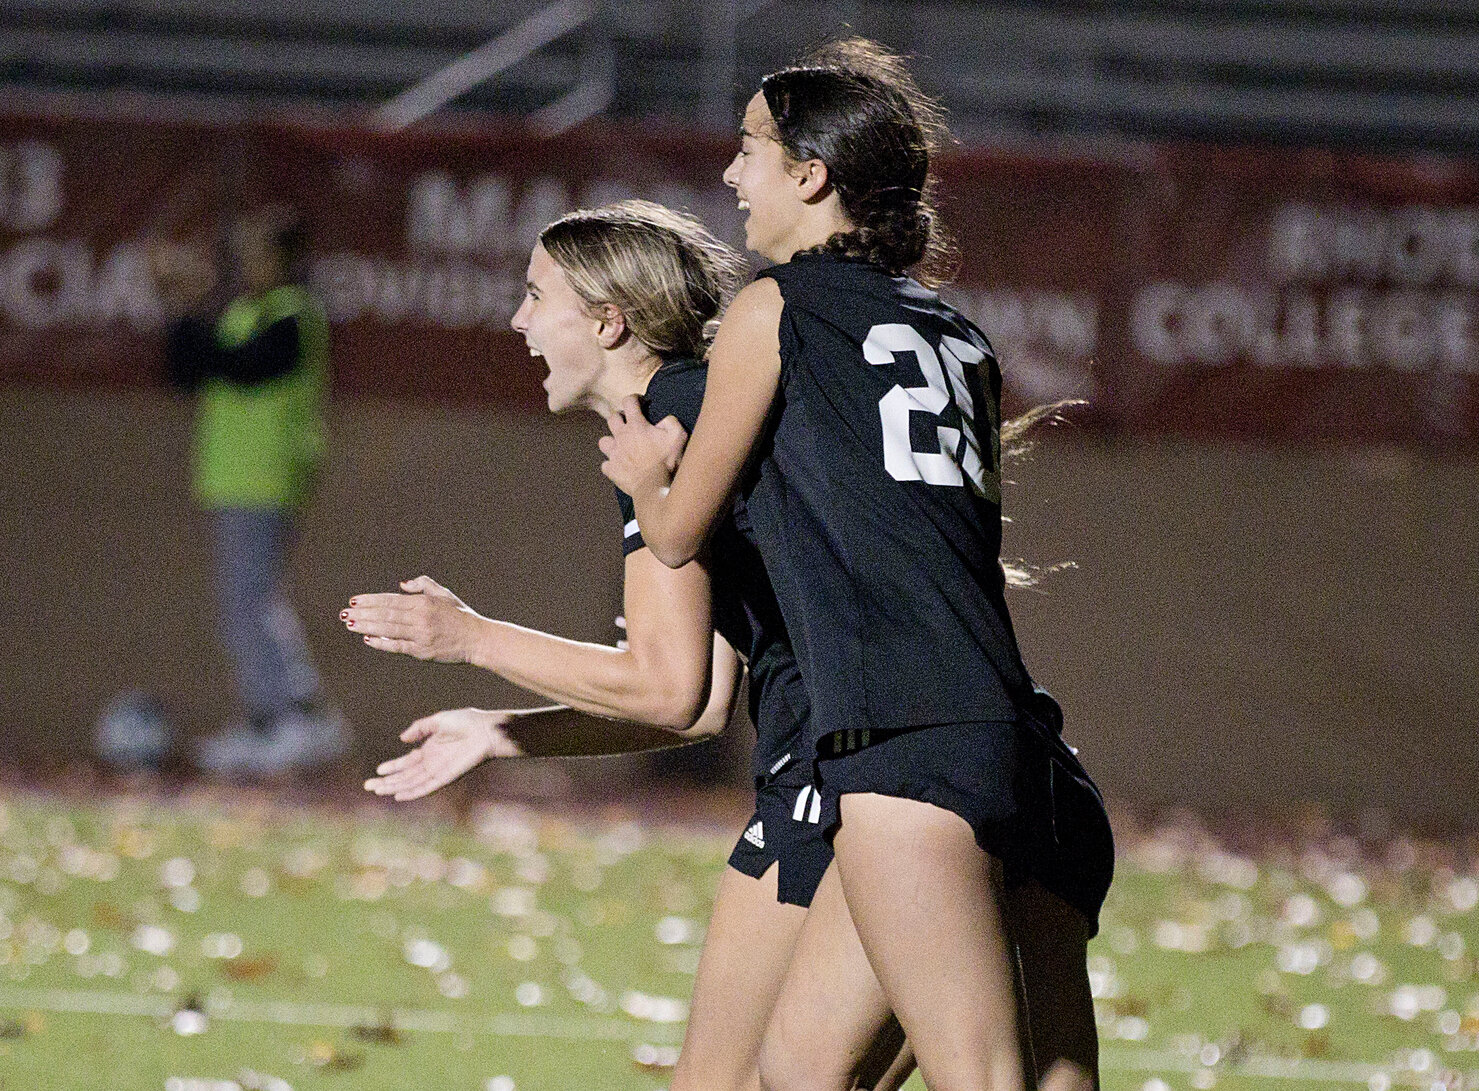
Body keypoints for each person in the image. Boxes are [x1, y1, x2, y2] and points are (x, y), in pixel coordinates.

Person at [600, 40, 1114, 1091]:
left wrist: (648, 471)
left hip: (905, 745)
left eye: (750, 150)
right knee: (799, 1066)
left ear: (810, 175)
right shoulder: (960, 336)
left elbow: (680, 535)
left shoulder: (773, 309)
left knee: (978, 1070)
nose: (733, 175)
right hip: (997, 734)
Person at [341, 201, 912, 1091]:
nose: (518, 321)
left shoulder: (669, 424)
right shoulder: (693, 407)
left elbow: (666, 688)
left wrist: (469, 635)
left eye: (536, 297)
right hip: (912, 760)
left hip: (841, 769)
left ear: (608, 321)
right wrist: (507, 732)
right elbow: (704, 705)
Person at [156, 206, 347, 776]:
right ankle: (276, 715)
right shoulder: (246, 312)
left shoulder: (293, 317)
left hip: (266, 481)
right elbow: (186, 368)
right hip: (233, 482)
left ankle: (296, 715)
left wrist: (191, 311)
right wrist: (178, 306)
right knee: (245, 603)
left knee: (250, 602)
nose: (247, 262)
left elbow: (241, 367)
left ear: (285, 257)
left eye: (259, 251)